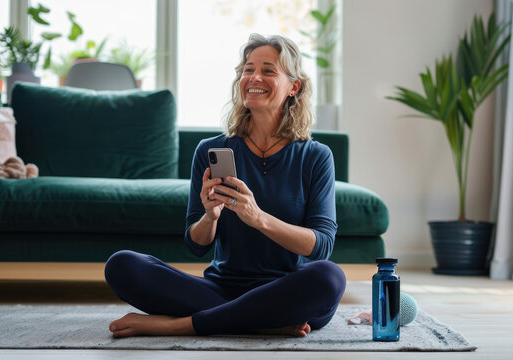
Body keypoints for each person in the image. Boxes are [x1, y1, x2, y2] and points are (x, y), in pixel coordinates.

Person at [104, 33, 346, 338]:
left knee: (329, 277)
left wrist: (258, 218)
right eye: (248, 69)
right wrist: (211, 216)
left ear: (293, 87)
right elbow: (196, 244)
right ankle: (264, 321)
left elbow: (321, 246)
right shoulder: (210, 150)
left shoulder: (315, 155)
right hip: (221, 288)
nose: (254, 76)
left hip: (285, 288)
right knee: (122, 265)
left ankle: (183, 325)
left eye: (268, 70)